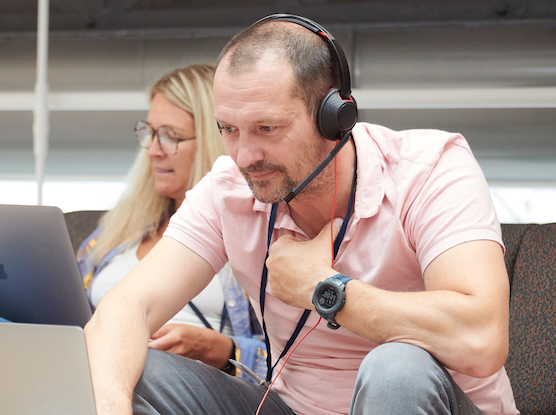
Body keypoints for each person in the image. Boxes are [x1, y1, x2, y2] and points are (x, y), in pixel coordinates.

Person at [84, 14, 518, 415]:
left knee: (396, 367)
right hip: (292, 407)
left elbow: (481, 339)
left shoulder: (430, 170)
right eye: (229, 130)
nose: (245, 156)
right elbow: (126, 308)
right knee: (133, 371)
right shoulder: (227, 189)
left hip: (417, 398)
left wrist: (326, 289)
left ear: (335, 117)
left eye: (267, 129)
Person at [78, 63, 266, 380]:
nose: (153, 150)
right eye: (149, 133)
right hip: (97, 376)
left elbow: (300, 359)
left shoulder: (259, 236)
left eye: (170, 136)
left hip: (192, 387)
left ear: (214, 138)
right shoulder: (118, 232)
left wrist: (225, 350)